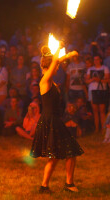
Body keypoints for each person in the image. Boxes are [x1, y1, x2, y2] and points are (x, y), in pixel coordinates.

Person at [30, 45, 83, 193]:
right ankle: (69, 184)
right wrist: (58, 48)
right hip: (50, 121)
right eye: (56, 66)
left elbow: (56, 61)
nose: (58, 68)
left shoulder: (50, 81)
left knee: (54, 156)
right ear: (49, 66)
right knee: (71, 151)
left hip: (53, 120)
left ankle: (44, 186)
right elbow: (55, 62)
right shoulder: (44, 81)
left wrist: (69, 55)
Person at [85, 55, 110, 133]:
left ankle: (103, 128)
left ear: (101, 60)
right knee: (95, 111)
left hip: (101, 90)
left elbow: (107, 80)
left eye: (97, 59)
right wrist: (93, 79)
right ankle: (96, 129)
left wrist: (98, 79)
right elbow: (87, 81)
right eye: (94, 60)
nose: (96, 61)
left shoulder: (105, 68)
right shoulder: (90, 69)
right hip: (92, 91)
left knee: (102, 111)